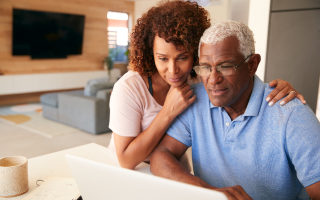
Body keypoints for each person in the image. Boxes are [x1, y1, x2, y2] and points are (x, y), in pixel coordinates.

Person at [108, 0, 305, 170]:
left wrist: (278, 86)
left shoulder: (198, 78)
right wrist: (168, 111)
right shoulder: (130, 88)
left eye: (182, 57)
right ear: (150, 53)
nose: (173, 69)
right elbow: (126, 159)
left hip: (172, 170)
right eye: (162, 58)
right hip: (133, 173)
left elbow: (240, 80)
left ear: (195, 53)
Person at [150, 20, 320, 200]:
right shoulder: (195, 99)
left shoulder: (291, 113)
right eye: (206, 67)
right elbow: (161, 156)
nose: (213, 79)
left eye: (225, 66)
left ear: (252, 65)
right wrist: (209, 192)